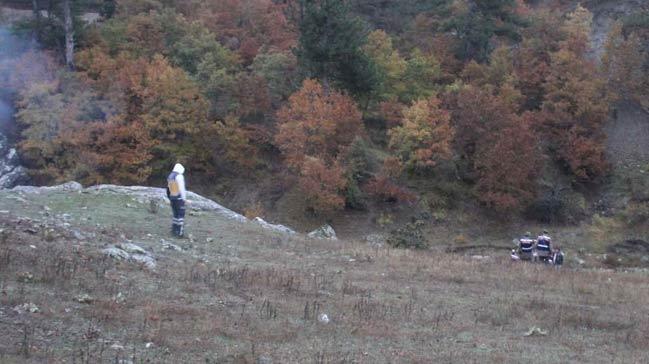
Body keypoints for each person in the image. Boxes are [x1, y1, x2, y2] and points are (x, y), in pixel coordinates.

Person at [167, 163, 187, 237]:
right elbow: (182, 188)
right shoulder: (179, 176)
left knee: (175, 214)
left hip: (172, 197)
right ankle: (180, 232)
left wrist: (169, 198)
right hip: (178, 198)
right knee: (181, 214)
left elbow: (168, 189)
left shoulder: (170, 176)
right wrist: (184, 199)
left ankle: (174, 230)